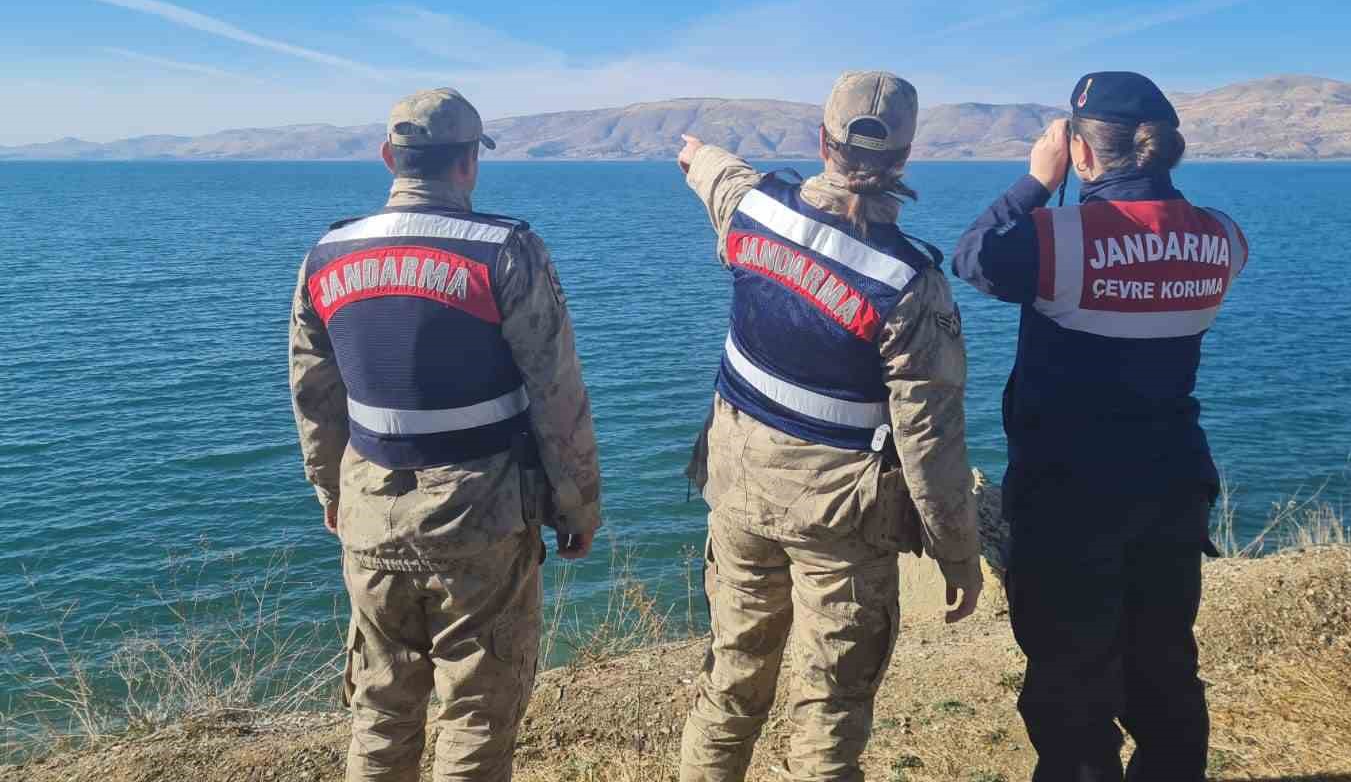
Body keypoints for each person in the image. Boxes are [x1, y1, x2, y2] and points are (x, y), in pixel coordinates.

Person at [675, 70, 983, 782]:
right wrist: (957, 551)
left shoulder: (753, 209)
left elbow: (717, 173)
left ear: (822, 140)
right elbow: (929, 437)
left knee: (731, 683)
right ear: (904, 160)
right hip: (839, 522)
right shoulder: (909, 283)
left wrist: (696, 153)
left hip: (738, 494)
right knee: (829, 711)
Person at [288, 87, 602, 782]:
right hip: (480, 520)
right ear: (468, 165)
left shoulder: (326, 254)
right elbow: (558, 396)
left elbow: (314, 393)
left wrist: (329, 489)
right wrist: (575, 507)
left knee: (380, 710)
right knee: (477, 718)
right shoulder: (507, 252)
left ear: (387, 159)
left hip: (369, 512)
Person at [952, 71, 1248, 782]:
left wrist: (1033, 182)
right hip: (1174, 487)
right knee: (1166, 670)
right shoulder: (1224, 240)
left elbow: (973, 255)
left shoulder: (1059, 239)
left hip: (1071, 499)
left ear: (1082, 153)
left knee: (1071, 688)